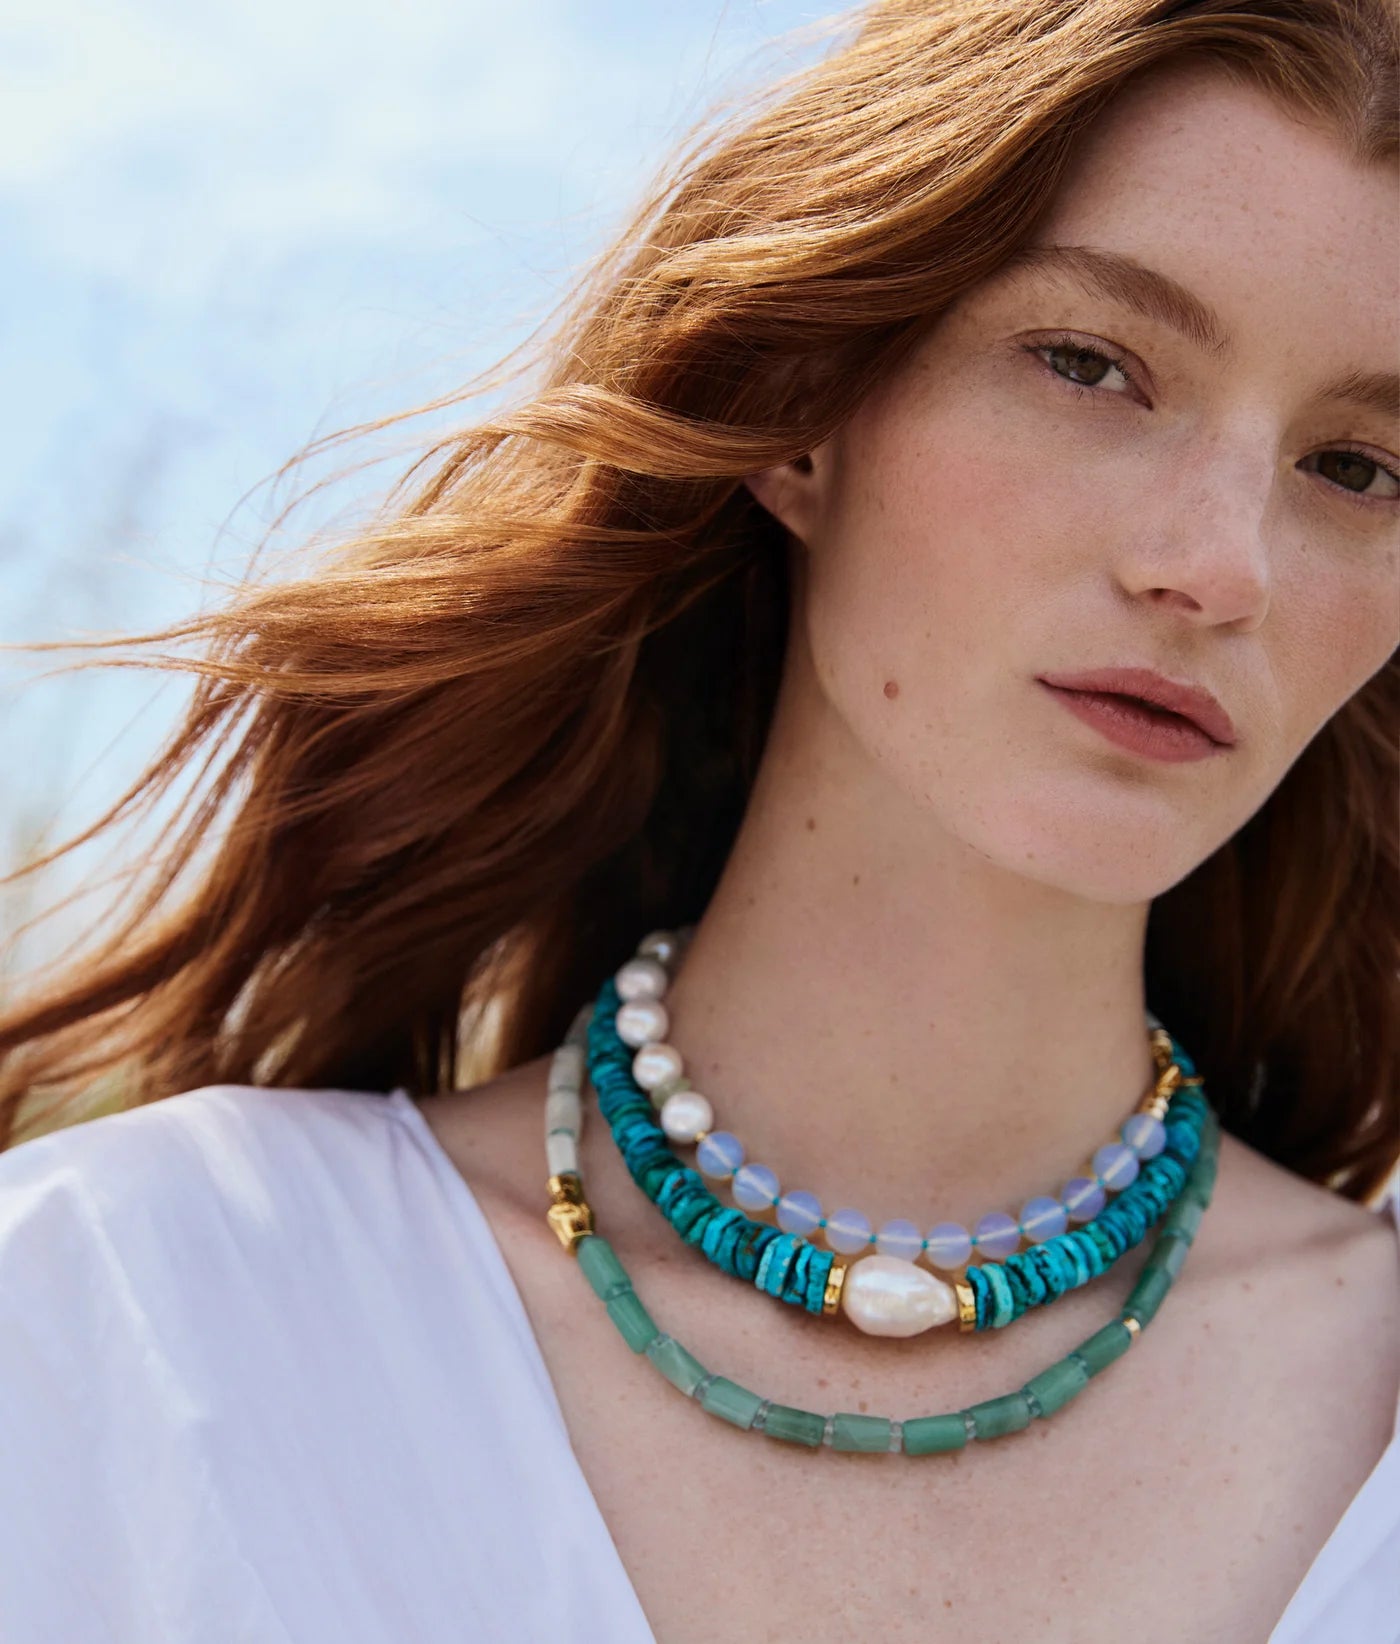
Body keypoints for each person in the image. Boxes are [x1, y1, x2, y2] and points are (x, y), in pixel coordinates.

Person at [0, 1, 1396, 1639]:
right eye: (1091, 365)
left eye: (1359, 468)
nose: (1220, 565)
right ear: (805, 408)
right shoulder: (134, 1309)